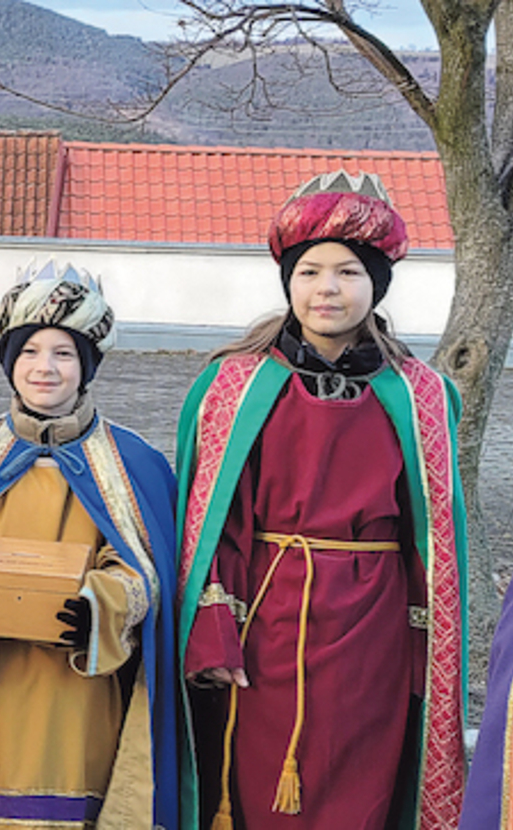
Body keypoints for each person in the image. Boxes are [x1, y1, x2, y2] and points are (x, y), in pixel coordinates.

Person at [178, 171, 467, 829]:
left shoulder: (422, 395)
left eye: (348, 272)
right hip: (265, 626)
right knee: (254, 792)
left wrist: (424, 654)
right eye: (309, 272)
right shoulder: (232, 387)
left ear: (376, 285)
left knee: (362, 792)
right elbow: (213, 523)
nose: (327, 288)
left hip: (375, 634)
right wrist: (213, 630)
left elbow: (432, 542)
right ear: (289, 282)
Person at [0, 261, 184, 828]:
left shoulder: (136, 463)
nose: (45, 367)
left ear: (87, 365)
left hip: (76, 691)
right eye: (30, 351)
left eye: (64, 353)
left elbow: (146, 571)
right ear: (10, 362)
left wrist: (101, 608)